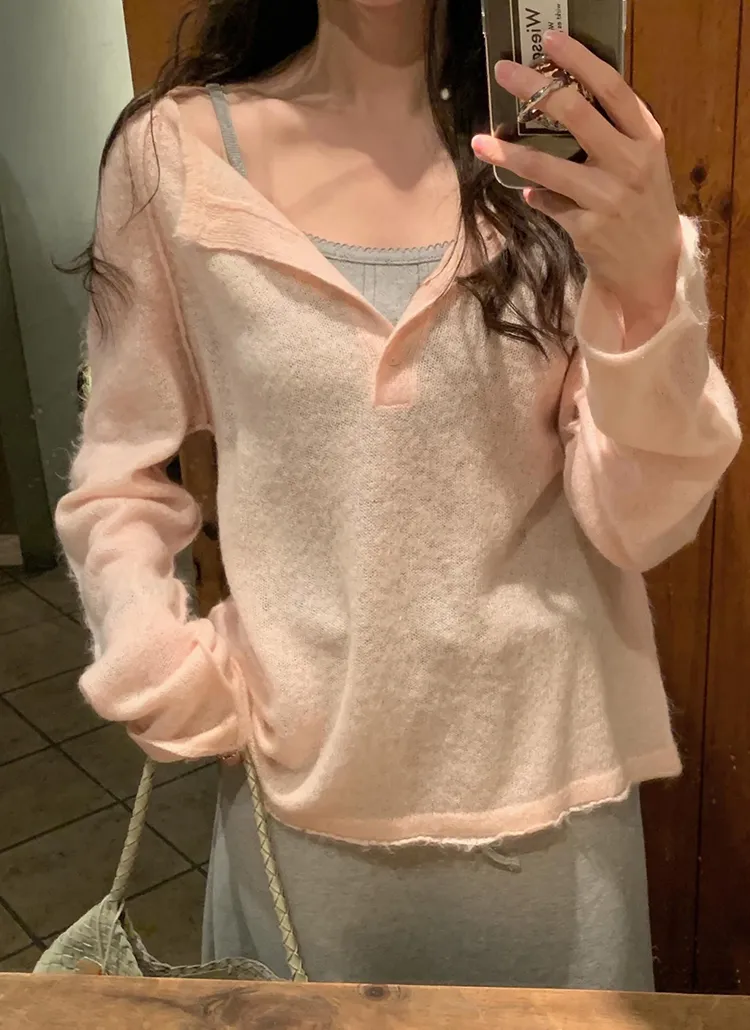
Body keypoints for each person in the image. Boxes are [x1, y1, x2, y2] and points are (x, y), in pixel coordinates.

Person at [56, 0, 740, 991]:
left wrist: (646, 287)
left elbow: (640, 520)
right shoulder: (174, 157)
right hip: (300, 818)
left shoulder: (563, 148)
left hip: (557, 818)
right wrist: (154, 660)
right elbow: (119, 467)